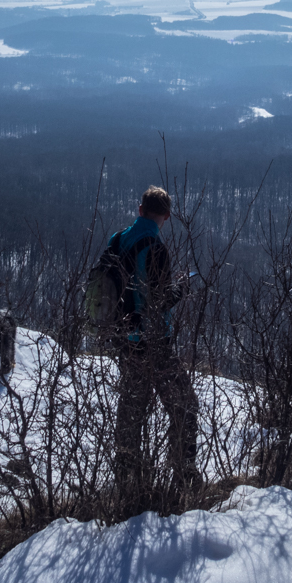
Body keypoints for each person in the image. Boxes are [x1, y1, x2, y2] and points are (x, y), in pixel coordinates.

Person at [109, 185, 201, 513]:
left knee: (131, 412)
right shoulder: (155, 247)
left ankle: (126, 482)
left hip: (124, 341)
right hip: (154, 345)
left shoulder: (118, 239)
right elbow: (159, 303)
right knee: (185, 407)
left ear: (139, 208)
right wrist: (181, 288)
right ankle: (184, 477)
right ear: (166, 216)